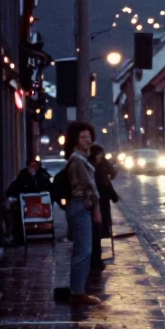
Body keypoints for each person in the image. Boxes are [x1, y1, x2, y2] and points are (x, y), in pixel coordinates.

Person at [63, 122, 102, 306]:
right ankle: (77, 292)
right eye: (83, 137)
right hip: (79, 206)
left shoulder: (82, 158)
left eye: (89, 136)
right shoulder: (78, 160)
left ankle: (78, 290)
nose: (87, 140)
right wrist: (96, 208)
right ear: (75, 140)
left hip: (79, 206)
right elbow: (90, 187)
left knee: (83, 249)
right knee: (83, 250)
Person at [89, 145, 120, 272]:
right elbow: (107, 181)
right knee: (99, 230)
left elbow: (112, 174)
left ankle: (99, 258)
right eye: (99, 154)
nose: (100, 157)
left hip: (100, 203)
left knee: (101, 230)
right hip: (96, 203)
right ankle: (98, 259)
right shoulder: (92, 166)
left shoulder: (101, 164)